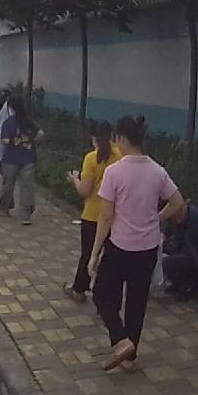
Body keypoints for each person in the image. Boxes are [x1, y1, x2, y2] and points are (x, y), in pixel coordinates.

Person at [87, 115, 186, 371]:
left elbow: (106, 216)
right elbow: (177, 203)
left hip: (120, 247)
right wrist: (156, 218)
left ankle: (121, 340)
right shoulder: (157, 171)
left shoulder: (114, 172)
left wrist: (94, 253)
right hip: (148, 249)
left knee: (101, 293)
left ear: (121, 138)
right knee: (136, 301)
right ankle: (130, 358)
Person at [62, 121, 122, 302]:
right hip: (114, 215)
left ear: (93, 138)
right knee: (109, 258)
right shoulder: (120, 156)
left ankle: (79, 289)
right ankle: (104, 293)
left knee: (88, 254)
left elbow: (84, 191)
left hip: (92, 215)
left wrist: (74, 180)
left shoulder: (91, 158)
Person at [0, 96, 43, 226]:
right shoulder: (28, 122)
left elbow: (5, 140)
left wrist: (14, 141)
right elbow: (41, 133)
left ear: (11, 108)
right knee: (27, 186)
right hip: (28, 158)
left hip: (11, 159)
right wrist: (32, 141)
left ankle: (4, 208)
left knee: (8, 185)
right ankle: (25, 215)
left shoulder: (8, 123)